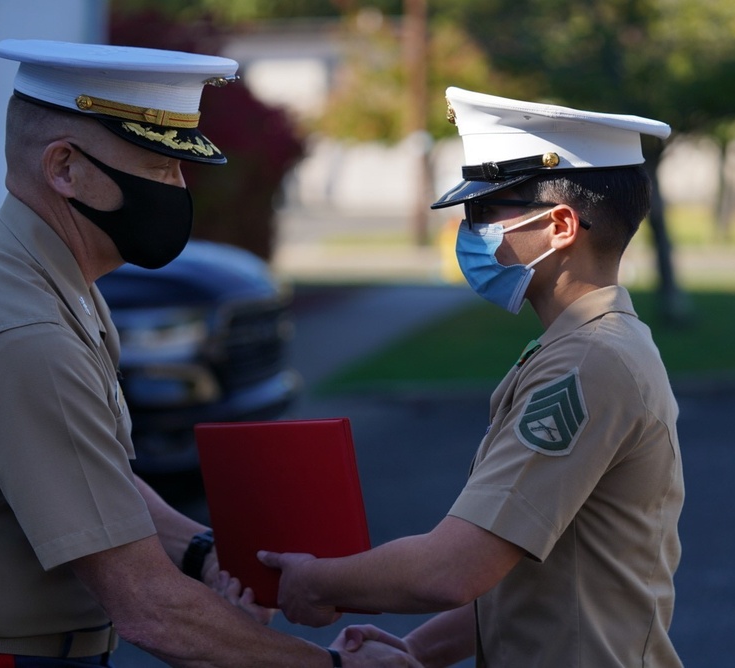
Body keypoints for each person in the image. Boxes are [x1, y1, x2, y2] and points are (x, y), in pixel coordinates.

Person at [0, 39, 419, 668]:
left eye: (179, 169)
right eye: (155, 170)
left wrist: (206, 555)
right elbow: (149, 607)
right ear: (64, 167)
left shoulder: (31, 273)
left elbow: (93, 479)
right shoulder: (25, 331)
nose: (176, 190)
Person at [256, 87, 685, 667]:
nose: (467, 229)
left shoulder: (588, 362)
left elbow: (454, 568)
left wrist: (317, 581)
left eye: (485, 212)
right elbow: (517, 570)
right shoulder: (588, 346)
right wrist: (415, 652)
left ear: (560, 225)